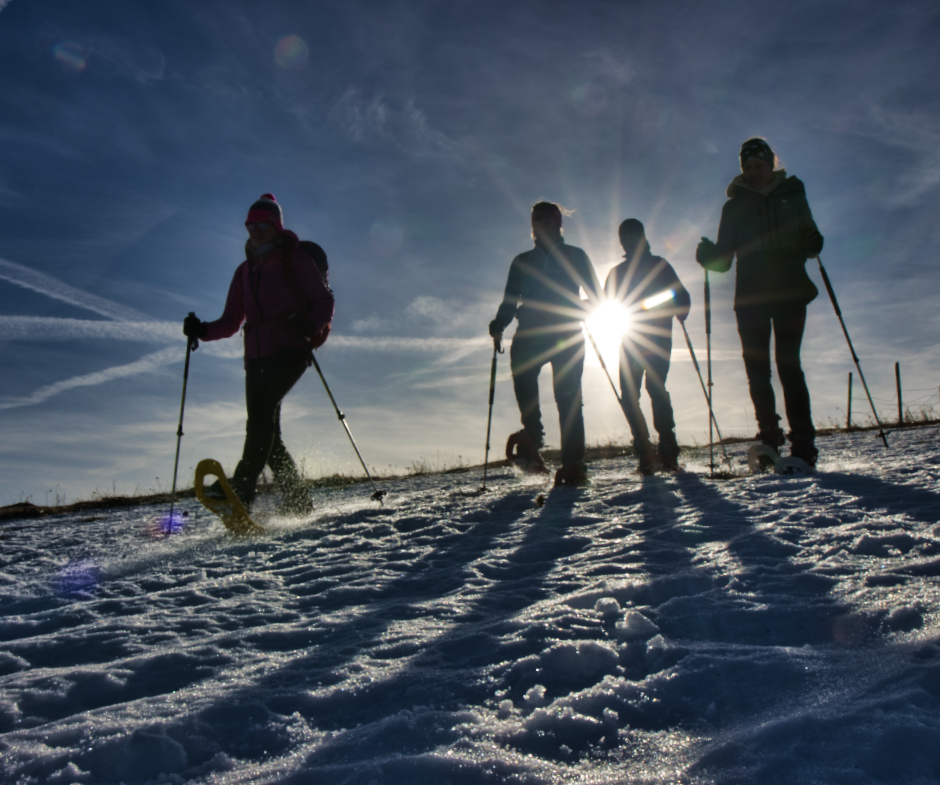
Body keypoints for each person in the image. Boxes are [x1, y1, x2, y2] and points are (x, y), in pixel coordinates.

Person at [183, 194, 334, 514]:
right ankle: (299, 503)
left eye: (264, 224)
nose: (257, 230)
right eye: (251, 224)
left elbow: (324, 301)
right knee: (269, 435)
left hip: (292, 346)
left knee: (263, 407)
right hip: (255, 356)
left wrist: (310, 324)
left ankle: (241, 486)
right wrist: (201, 331)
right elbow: (229, 322)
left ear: (277, 226)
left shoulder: (296, 260)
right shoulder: (243, 273)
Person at [696, 138, 824, 467]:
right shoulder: (734, 206)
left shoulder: (793, 194)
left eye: (759, 165)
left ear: (771, 164)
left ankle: (803, 442)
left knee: (789, 365)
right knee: (758, 372)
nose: (753, 172)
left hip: (789, 290)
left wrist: (813, 241)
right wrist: (708, 257)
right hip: (750, 296)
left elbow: (811, 243)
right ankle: (769, 437)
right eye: (747, 167)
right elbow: (723, 261)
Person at [489, 201, 602, 486]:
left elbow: (596, 298)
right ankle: (533, 439)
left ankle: (573, 462)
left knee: (568, 397)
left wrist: (572, 309)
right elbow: (510, 300)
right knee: (524, 383)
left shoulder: (575, 256)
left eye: (548, 223)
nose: (542, 228)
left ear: (558, 225)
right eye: (537, 224)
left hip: (566, 334)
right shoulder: (522, 261)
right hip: (528, 333)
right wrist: (499, 323)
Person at [605, 219, 691, 474]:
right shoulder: (618, 272)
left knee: (652, 387)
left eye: (633, 236)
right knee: (630, 394)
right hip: (631, 339)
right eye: (625, 237)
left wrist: (679, 308)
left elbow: (681, 296)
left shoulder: (659, 265)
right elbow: (604, 302)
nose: (629, 240)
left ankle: (666, 447)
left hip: (656, 338)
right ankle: (645, 449)